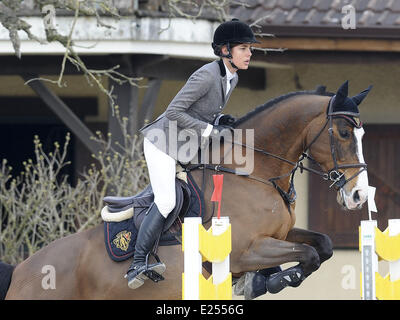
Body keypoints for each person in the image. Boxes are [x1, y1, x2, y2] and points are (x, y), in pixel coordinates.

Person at [125, 18, 259, 289]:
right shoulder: (206, 75)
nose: (249, 53)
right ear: (225, 50)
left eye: (249, 48)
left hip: (186, 146)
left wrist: (220, 120)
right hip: (162, 142)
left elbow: (205, 111)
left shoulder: (231, 77)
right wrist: (210, 130)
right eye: (244, 48)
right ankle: (138, 262)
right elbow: (174, 111)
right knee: (166, 201)